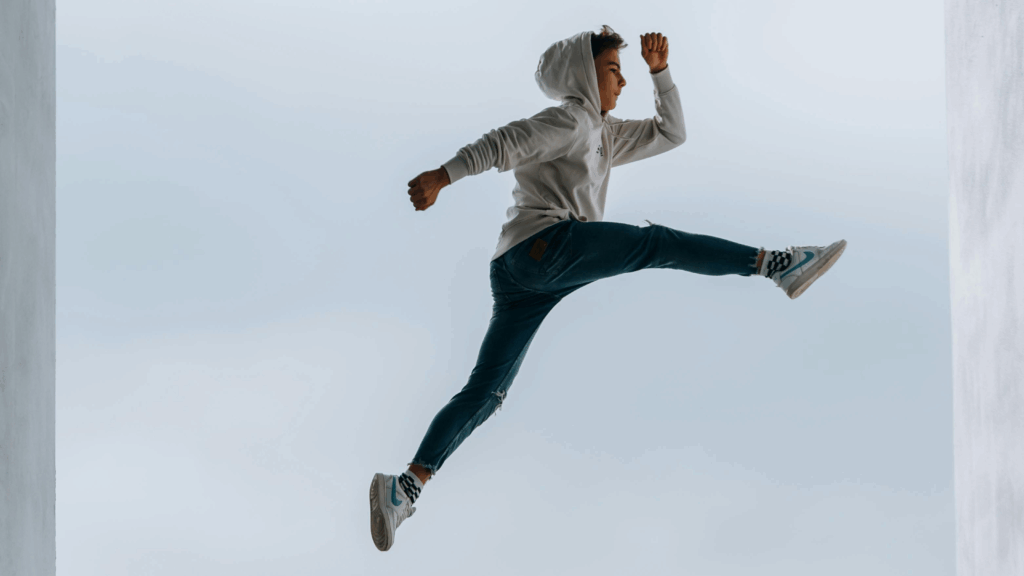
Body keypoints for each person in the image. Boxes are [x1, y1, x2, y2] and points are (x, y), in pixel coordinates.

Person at [369, 25, 846, 552]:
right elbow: (506, 142)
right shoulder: (572, 119)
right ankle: (775, 264)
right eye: (613, 70)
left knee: (487, 392)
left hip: (521, 273)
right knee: (654, 244)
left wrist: (660, 73)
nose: (622, 82)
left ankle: (405, 487)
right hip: (544, 247)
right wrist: (444, 175)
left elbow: (671, 133)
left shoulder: (604, 133)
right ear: (582, 75)